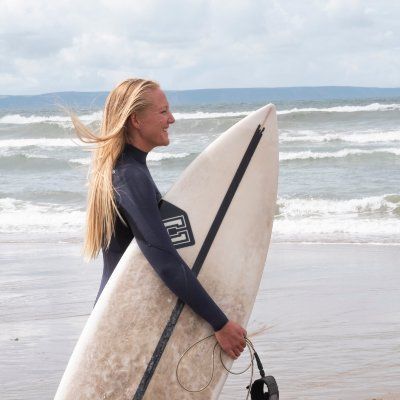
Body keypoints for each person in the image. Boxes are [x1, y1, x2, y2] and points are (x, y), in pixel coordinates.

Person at [71, 78, 246, 359]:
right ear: (136, 120)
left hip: (118, 314)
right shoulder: (130, 176)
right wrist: (220, 323)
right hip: (119, 321)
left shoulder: (126, 170)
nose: (171, 119)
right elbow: (165, 262)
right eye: (163, 111)